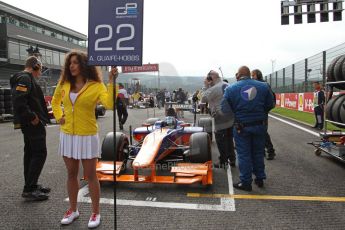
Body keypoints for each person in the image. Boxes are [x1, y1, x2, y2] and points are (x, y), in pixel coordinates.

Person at [51, 51, 115, 228]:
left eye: (75, 63)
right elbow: (55, 102)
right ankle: (73, 209)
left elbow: (109, 104)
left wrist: (111, 82)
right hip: (68, 135)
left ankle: (96, 213)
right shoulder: (64, 83)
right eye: (70, 63)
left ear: (83, 65)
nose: (71, 66)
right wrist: (59, 116)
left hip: (87, 135)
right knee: (71, 174)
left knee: (91, 176)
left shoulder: (96, 85)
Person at [222, 66, 274, 191]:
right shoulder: (264, 86)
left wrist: (235, 115)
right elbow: (270, 104)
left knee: (244, 154)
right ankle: (260, 178)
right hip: (259, 124)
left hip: (241, 126)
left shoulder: (230, 89)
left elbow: (224, 109)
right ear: (249, 74)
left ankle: (246, 182)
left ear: (238, 75)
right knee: (258, 152)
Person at [10, 56, 51, 201]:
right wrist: (32, 117)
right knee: (40, 153)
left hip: (29, 123)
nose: (40, 73)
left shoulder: (25, 78)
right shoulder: (25, 78)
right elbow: (19, 100)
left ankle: (31, 185)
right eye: (40, 69)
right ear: (35, 66)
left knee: (30, 153)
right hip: (32, 123)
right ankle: (29, 189)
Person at [202, 70, 236, 168]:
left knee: (220, 139)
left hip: (220, 116)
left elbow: (203, 98)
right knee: (229, 138)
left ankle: (223, 161)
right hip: (231, 115)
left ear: (212, 78)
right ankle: (232, 159)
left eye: (209, 77)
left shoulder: (214, 88)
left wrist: (205, 85)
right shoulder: (227, 84)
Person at [251, 69, 276, 160]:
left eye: (253, 75)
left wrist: (264, 110)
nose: (252, 77)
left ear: (257, 75)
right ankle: (263, 151)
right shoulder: (254, 85)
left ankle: (271, 151)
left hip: (262, 113)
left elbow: (271, 100)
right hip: (257, 112)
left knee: (263, 132)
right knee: (259, 132)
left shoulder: (264, 85)